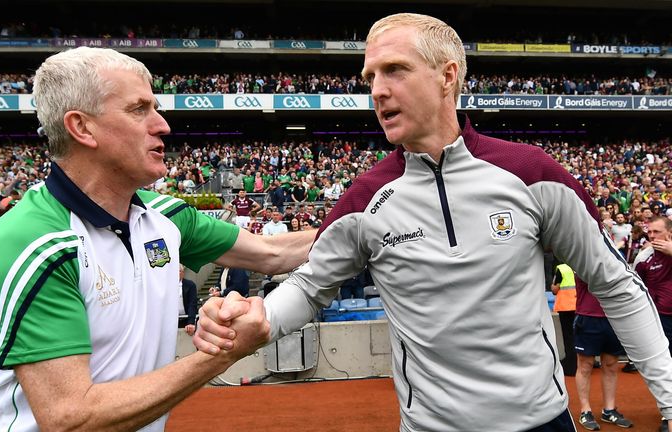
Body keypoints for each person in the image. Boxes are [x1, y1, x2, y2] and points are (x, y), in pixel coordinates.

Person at [195, 13, 672, 431]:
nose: (377, 89)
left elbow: (616, 285)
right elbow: (309, 285)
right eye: (370, 77)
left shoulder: (532, 173)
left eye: (395, 70)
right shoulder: (365, 198)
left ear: (447, 77)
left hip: (541, 422)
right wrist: (261, 317)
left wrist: (669, 399)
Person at [0, 47, 313, 432]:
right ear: (82, 127)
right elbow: (71, 418)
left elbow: (272, 252)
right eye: (139, 110)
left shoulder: (164, 216)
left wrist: (369, 218)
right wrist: (225, 352)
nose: (162, 125)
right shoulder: (31, 242)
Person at [572, 277, 634, 430]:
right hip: (588, 316)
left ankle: (609, 410)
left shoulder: (615, 256)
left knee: (611, 365)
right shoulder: (583, 255)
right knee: (585, 366)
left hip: (613, 316)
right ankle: (585, 411)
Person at [633, 216, 672, 431]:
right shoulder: (644, 257)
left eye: (657, 232)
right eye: (650, 232)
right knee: (666, 368)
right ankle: (669, 416)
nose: (652, 236)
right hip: (662, 320)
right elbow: (635, 288)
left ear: (669, 233)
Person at [551, 261, 577, 377]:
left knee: (568, 336)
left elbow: (555, 290)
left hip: (566, 307)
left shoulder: (561, 268)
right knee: (578, 335)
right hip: (579, 306)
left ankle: (571, 366)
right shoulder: (578, 265)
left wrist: (552, 286)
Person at [178, 266, 198, 336]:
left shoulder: (190, 285)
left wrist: (191, 322)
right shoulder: (167, 286)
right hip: (173, 320)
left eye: (179, 271)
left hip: (186, 319)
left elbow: (192, 304)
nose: (177, 273)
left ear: (183, 273)